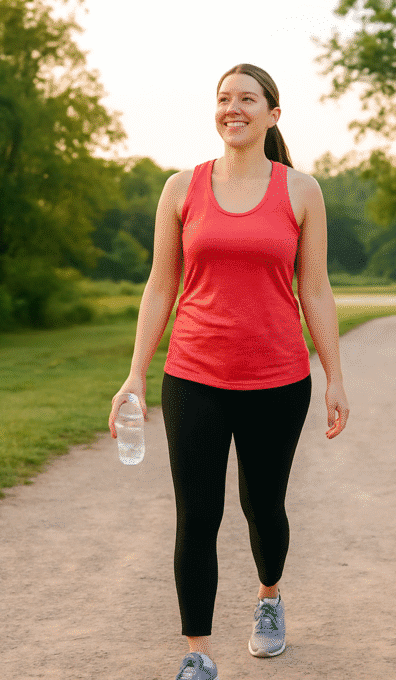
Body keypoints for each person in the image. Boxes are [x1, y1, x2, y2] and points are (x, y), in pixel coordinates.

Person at [108, 63, 350, 680]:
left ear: (273, 113)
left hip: (278, 379)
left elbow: (315, 290)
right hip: (193, 376)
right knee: (197, 515)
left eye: (247, 98)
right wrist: (135, 374)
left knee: (262, 506)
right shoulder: (180, 189)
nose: (232, 108)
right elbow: (160, 284)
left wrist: (335, 378)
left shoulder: (302, 191)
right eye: (223, 99)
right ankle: (198, 654)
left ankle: (269, 597)